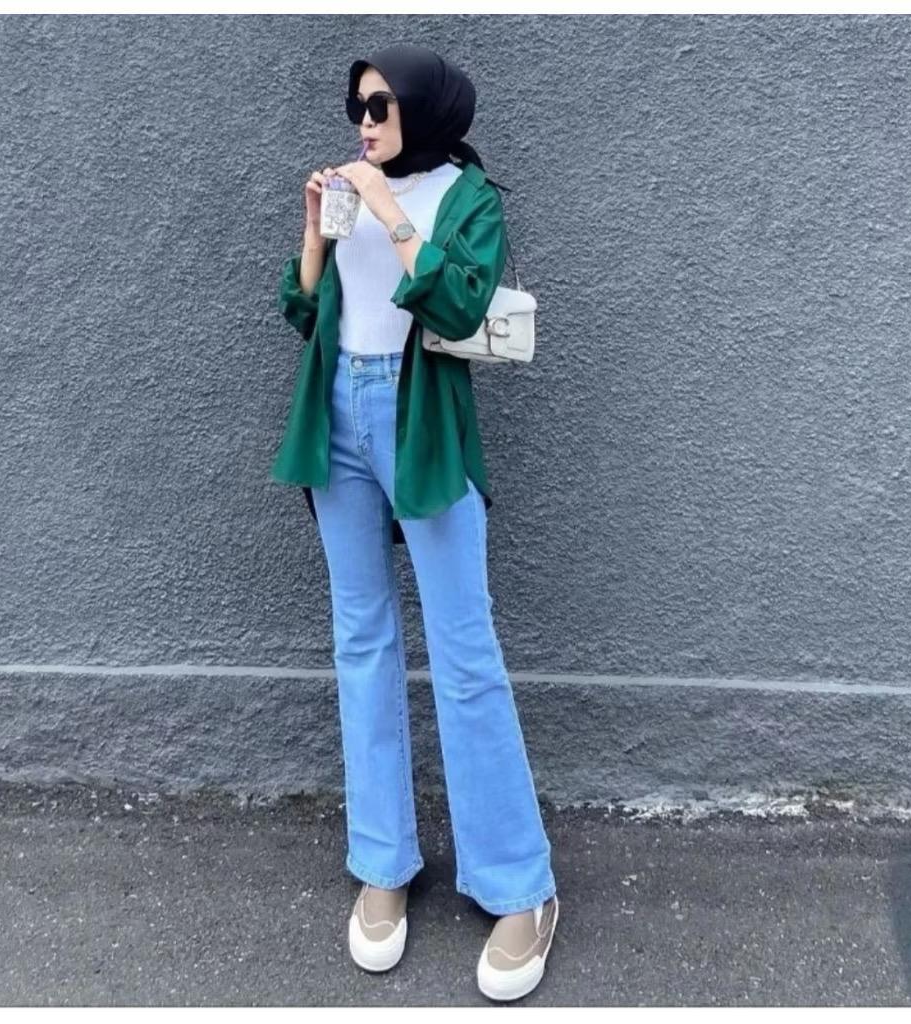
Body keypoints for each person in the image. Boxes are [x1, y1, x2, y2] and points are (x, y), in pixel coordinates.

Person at [269, 43, 558, 1002]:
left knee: (465, 649)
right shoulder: (348, 188)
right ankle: (383, 863)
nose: (364, 122)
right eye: (357, 105)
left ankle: (521, 887)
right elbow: (305, 311)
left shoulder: (468, 199)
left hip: (421, 421)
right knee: (361, 640)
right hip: (339, 418)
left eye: (381, 105)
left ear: (424, 111)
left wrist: (388, 213)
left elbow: (460, 300)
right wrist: (316, 230)